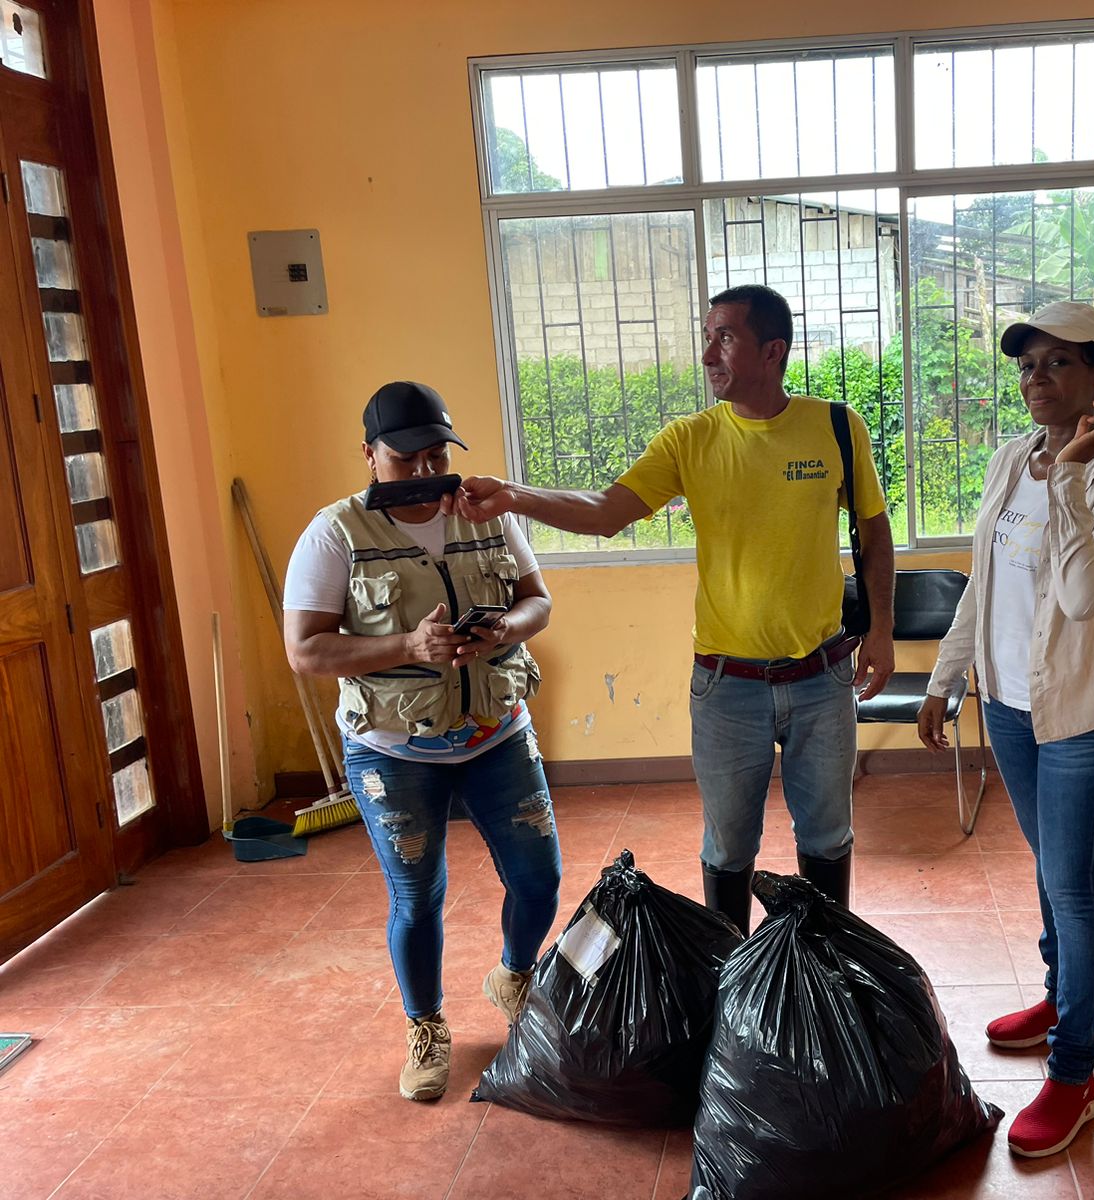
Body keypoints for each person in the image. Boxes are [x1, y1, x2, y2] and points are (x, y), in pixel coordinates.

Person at [445, 285, 895, 933]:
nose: (707, 353)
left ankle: (825, 967)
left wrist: (881, 630)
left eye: (725, 338)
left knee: (827, 839)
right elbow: (606, 512)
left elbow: (873, 529)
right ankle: (728, 972)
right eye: (707, 336)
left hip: (822, 678)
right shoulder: (690, 439)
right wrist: (514, 495)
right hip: (727, 687)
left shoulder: (835, 427)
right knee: (728, 849)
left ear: (773, 351)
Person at [917, 301, 1094, 1160]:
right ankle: (1062, 997)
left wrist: (1069, 476)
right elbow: (982, 585)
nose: (1036, 378)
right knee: (1051, 870)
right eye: (1027, 364)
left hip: (1083, 712)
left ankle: (1074, 1075)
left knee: (1076, 889)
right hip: (1010, 705)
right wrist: (946, 678)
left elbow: (1088, 597)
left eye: (1059, 362)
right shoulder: (1008, 459)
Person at [283, 380, 561, 1102]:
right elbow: (306, 650)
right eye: (404, 459)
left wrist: (505, 629)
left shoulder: (483, 514)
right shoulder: (335, 533)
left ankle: (514, 975)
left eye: (436, 456)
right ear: (368, 455)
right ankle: (426, 1025)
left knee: (539, 879)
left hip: (497, 732)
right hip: (392, 749)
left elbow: (538, 601)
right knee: (417, 896)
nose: (424, 472)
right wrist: (408, 644)